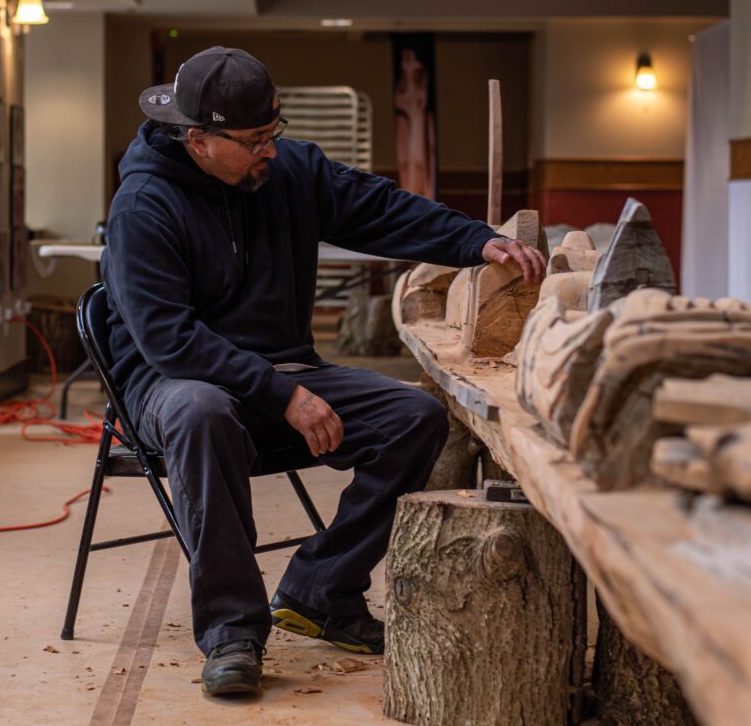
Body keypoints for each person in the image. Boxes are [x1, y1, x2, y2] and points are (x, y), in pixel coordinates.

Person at [101, 46, 545, 697]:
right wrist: (285, 396)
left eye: (274, 133)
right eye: (254, 141)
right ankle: (231, 630)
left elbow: (379, 206)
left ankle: (321, 589)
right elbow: (169, 340)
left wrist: (474, 240)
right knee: (203, 412)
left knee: (413, 417)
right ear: (199, 140)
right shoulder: (144, 205)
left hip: (276, 373)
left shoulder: (287, 171)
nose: (271, 152)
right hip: (172, 385)